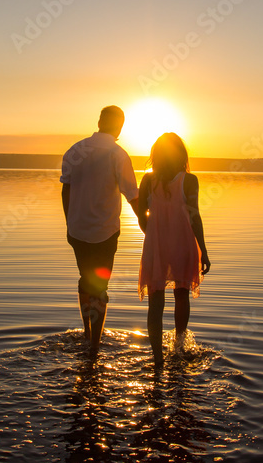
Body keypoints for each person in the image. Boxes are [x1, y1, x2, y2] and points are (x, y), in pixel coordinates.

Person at [61, 106, 140, 356]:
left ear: (99, 121)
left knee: (86, 280)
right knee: (100, 285)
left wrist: (69, 222)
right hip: (105, 233)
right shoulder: (119, 155)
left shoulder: (75, 150)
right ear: (120, 127)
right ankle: (94, 345)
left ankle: (86, 333)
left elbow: (66, 189)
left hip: (78, 230)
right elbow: (133, 196)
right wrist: (147, 224)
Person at [136, 133, 210, 365]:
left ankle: (158, 358)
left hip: (156, 244)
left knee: (155, 300)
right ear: (181, 154)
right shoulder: (189, 180)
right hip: (183, 241)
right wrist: (204, 250)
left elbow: (140, 214)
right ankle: (179, 348)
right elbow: (195, 216)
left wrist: (152, 234)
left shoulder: (148, 180)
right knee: (181, 294)